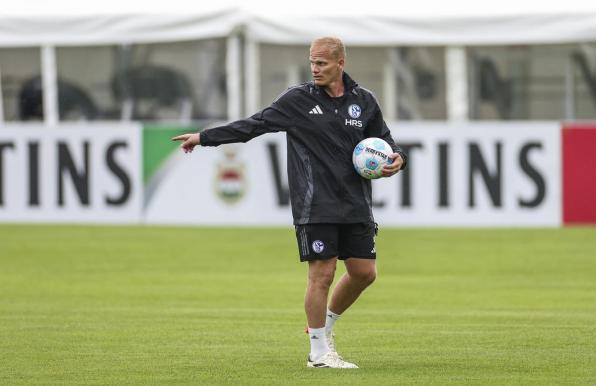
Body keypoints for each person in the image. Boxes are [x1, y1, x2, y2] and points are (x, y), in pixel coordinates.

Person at [172, 37, 407, 369]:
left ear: (341, 63)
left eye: (322, 63)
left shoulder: (364, 101)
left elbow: (384, 140)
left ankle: (322, 327)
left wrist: (397, 159)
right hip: (315, 204)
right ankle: (318, 352)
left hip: (355, 202)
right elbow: (254, 125)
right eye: (312, 62)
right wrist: (205, 137)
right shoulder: (298, 100)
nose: (315, 69)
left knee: (364, 273)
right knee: (322, 274)